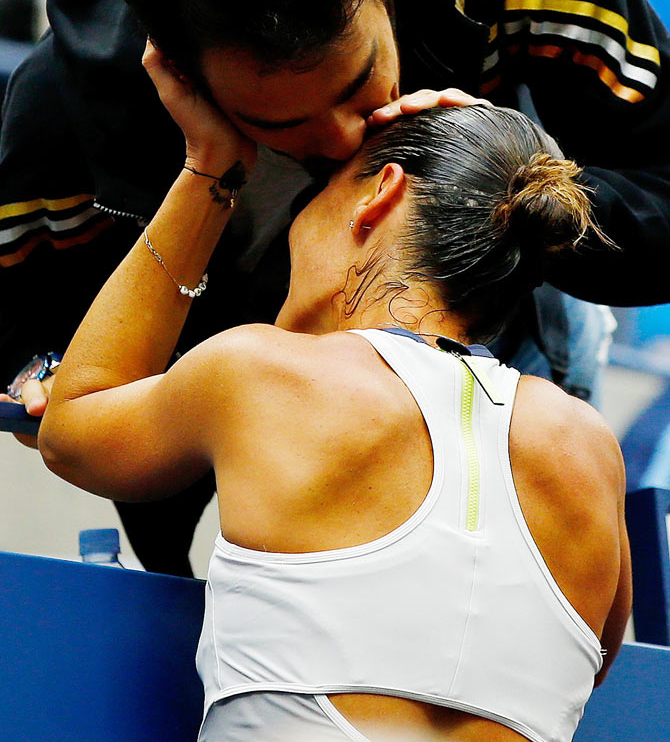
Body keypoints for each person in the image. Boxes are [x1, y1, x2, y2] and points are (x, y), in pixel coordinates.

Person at [1, 0, 668, 576]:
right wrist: (38, 365)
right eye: (282, 125)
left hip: (508, 358)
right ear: (176, 75)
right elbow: (25, 345)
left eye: (360, 85)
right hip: (198, 440)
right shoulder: (69, 98)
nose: (348, 139)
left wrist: (508, 185)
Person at [33, 50, 631, 741]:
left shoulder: (262, 373)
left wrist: (210, 167)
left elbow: (71, 427)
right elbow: (581, 665)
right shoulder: (590, 447)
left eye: (315, 188)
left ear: (379, 194)